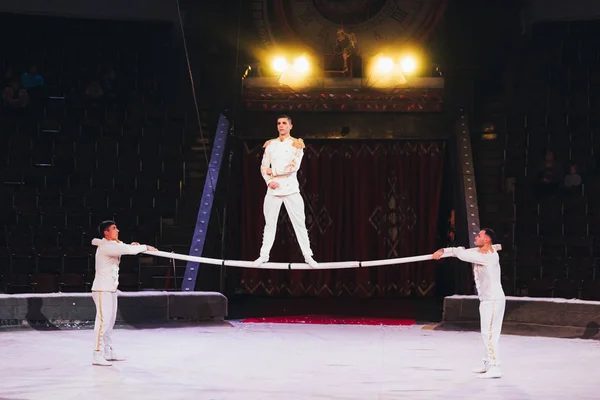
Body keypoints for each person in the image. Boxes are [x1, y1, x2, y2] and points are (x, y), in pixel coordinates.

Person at [432, 228, 505, 379]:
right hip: (487, 300)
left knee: (490, 334)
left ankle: (495, 366)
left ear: (487, 240)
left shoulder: (488, 256)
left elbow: (462, 254)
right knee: (487, 333)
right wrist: (443, 250)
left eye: (479, 236)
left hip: (493, 300)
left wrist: (451, 250)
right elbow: (463, 253)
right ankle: (488, 363)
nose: (476, 237)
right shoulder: (482, 253)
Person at [253, 115, 318, 268]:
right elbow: (263, 167)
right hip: (273, 189)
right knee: (269, 225)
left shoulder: (297, 144)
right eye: (279, 123)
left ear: (290, 126)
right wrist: (269, 181)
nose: (281, 126)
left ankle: (308, 256)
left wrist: (273, 172)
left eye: (284, 123)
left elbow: (293, 167)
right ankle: (263, 255)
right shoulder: (270, 145)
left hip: (290, 189)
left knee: (299, 224)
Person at [90, 220, 157, 366]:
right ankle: (97, 354)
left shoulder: (112, 245)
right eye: (114, 228)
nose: (118, 230)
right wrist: (144, 247)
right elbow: (126, 250)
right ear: (106, 232)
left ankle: (108, 351)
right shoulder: (105, 246)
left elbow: (123, 247)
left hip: (111, 289)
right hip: (102, 290)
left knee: (110, 321)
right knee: (103, 322)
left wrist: (134, 246)